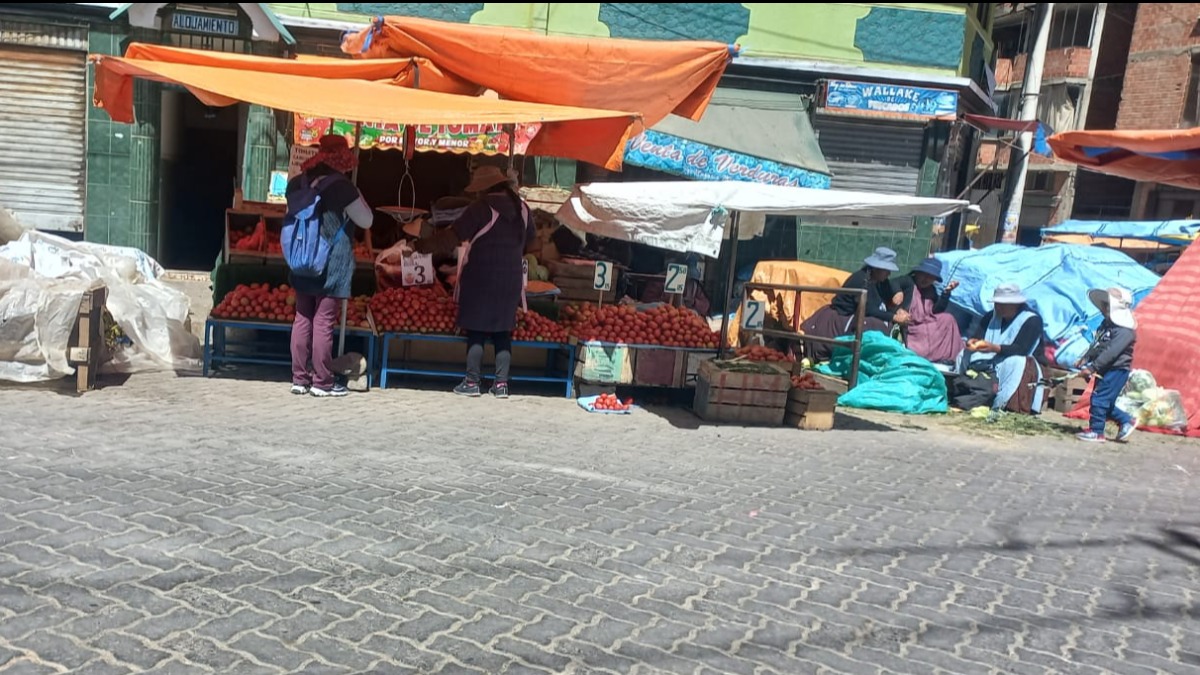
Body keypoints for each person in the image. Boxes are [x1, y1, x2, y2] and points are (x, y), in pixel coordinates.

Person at [287, 134, 373, 398]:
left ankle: (299, 379)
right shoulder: (343, 187)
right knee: (323, 321)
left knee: (302, 318)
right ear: (342, 161)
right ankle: (322, 382)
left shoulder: (296, 183)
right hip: (331, 261)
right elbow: (366, 220)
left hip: (301, 258)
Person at [451, 165, 535, 399]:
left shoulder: (479, 208)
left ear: (483, 188)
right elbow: (531, 240)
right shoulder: (523, 209)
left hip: (480, 276)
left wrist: (424, 245)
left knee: (476, 330)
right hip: (511, 278)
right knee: (502, 331)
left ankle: (471, 381)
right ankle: (501, 385)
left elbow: (457, 233)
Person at [801, 247, 908, 362]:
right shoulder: (861, 280)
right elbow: (868, 308)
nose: (889, 274)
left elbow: (892, 289)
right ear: (877, 268)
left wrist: (898, 308)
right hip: (845, 316)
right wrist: (893, 317)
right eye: (886, 270)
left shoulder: (881, 281)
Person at [964, 283, 1045, 414]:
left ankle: (1005, 403)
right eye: (997, 303)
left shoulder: (1031, 320)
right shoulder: (990, 317)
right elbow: (978, 336)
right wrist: (973, 342)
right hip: (990, 358)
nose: (998, 307)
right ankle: (965, 391)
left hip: (1020, 361)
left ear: (1015, 304)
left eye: (1003, 304)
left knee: (1016, 362)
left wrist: (994, 348)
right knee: (963, 355)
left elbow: (1022, 349)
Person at [1075, 287, 1138, 443]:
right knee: (1104, 402)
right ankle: (1126, 420)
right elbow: (1099, 345)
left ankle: (1096, 431)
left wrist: (1092, 367)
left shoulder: (1125, 331)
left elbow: (1111, 352)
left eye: (1107, 305)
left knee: (1099, 400)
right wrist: (1086, 358)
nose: (1103, 308)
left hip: (1117, 370)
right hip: (1105, 369)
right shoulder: (1106, 325)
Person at [895, 258, 961, 364]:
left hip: (926, 322)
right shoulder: (907, 282)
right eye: (924, 275)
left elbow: (936, 311)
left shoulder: (931, 290)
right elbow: (893, 283)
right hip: (910, 326)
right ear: (917, 273)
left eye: (930, 277)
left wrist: (946, 293)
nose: (926, 280)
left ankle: (947, 358)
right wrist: (897, 293)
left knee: (948, 319)